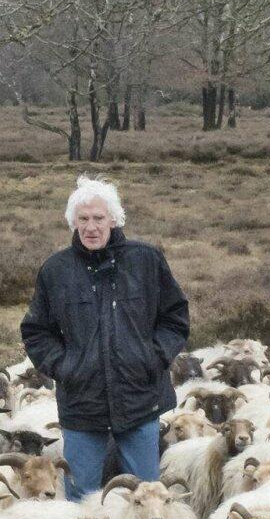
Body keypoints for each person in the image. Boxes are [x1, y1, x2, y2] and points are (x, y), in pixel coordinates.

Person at [20, 176, 190, 502]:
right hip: (82, 405)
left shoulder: (146, 261)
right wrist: (67, 366)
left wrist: (152, 358)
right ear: (73, 222)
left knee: (144, 497)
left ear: (113, 219)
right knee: (81, 496)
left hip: (140, 399)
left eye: (98, 218)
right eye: (83, 219)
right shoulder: (56, 270)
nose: (91, 227)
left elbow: (175, 317)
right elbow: (36, 331)